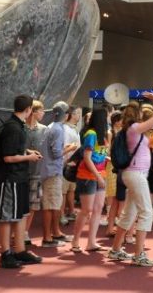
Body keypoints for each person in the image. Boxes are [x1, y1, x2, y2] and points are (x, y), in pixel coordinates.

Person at [109, 94, 153, 267]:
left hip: (131, 174)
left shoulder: (129, 130)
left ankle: (116, 249)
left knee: (130, 213)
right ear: (137, 113)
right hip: (136, 174)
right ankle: (139, 254)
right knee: (146, 213)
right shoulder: (135, 128)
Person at [0, 94, 42, 270]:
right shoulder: (13, 128)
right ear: (29, 109)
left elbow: (14, 150)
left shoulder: (18, 126)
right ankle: (6, 253)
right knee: (7, 216)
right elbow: (7, 157)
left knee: (21, 214)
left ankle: (20, 250)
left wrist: (27, 151)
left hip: (19, 177)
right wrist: (28, 156)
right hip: (10, 178)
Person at [71, 108, 108, 254]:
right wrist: (98, 176)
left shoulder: (102, 135)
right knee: (86, 210)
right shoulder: (91, 134)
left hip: (100, 174)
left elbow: (100, 155)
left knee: (98, 208)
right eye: (108, 116)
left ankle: (91, 241)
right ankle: (75, 240)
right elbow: (87, 157)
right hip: (88, 176)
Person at [40, 102, 70, 246]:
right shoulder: (57, 129)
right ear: (66, 114)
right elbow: (57, 153)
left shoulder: (51, 127)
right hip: (52, 171)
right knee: (50, 204)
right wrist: (69, 149)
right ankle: (47, 237)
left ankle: (55, 232)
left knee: (53, 204)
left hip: (49, 170)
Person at [22, 101, 48, 249]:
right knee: (20, 203)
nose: (43, 113)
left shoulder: (44, 129)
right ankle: (17, 232)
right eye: (41, 111)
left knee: (33, 205)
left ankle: (25, 231)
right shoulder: (21, 128)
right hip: (21, 171)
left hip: (37, 172)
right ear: (33, 111)